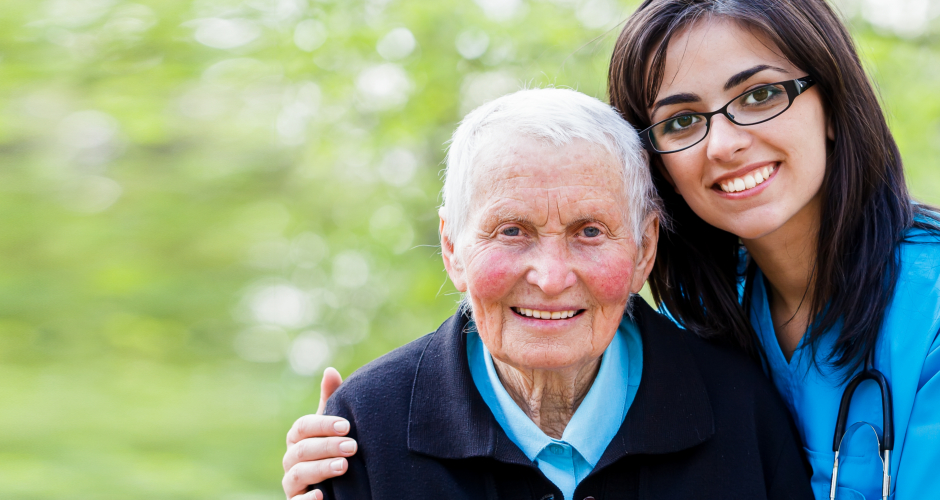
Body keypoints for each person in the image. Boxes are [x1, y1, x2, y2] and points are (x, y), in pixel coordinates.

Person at [286, 1, 940, 498]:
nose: (727, 142)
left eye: (760, 95)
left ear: (832, 104)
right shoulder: (713, 309)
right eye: (681, 119)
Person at [297, 88, 811, 500]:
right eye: (512, 231)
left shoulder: (740, 409)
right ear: (452, 248)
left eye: (589, 231)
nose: (550, 277)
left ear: (644, 250)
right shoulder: (364, 430)